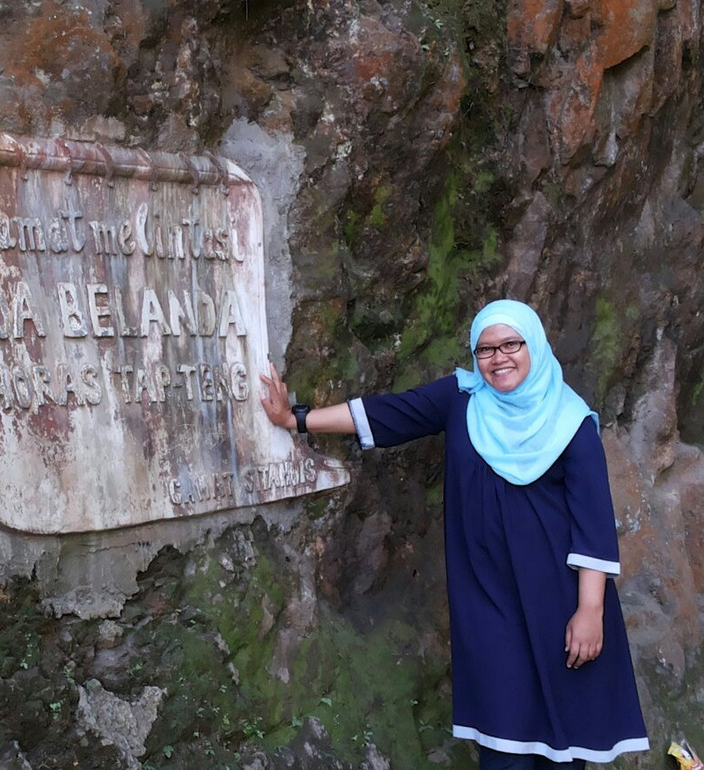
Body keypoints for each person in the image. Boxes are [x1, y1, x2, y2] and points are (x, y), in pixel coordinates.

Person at [260, 299, 649, 768]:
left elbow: (592, 524)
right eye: (485, 349)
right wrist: (295, 419)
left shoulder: (572, 424)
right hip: (490, 604)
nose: (498, 357)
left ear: (535, 346)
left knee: (561, 745)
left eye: (511, 344)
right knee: (503, 742)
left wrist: (590, 610)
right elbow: (386, 415)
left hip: (560, 605)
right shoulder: (461, 400)